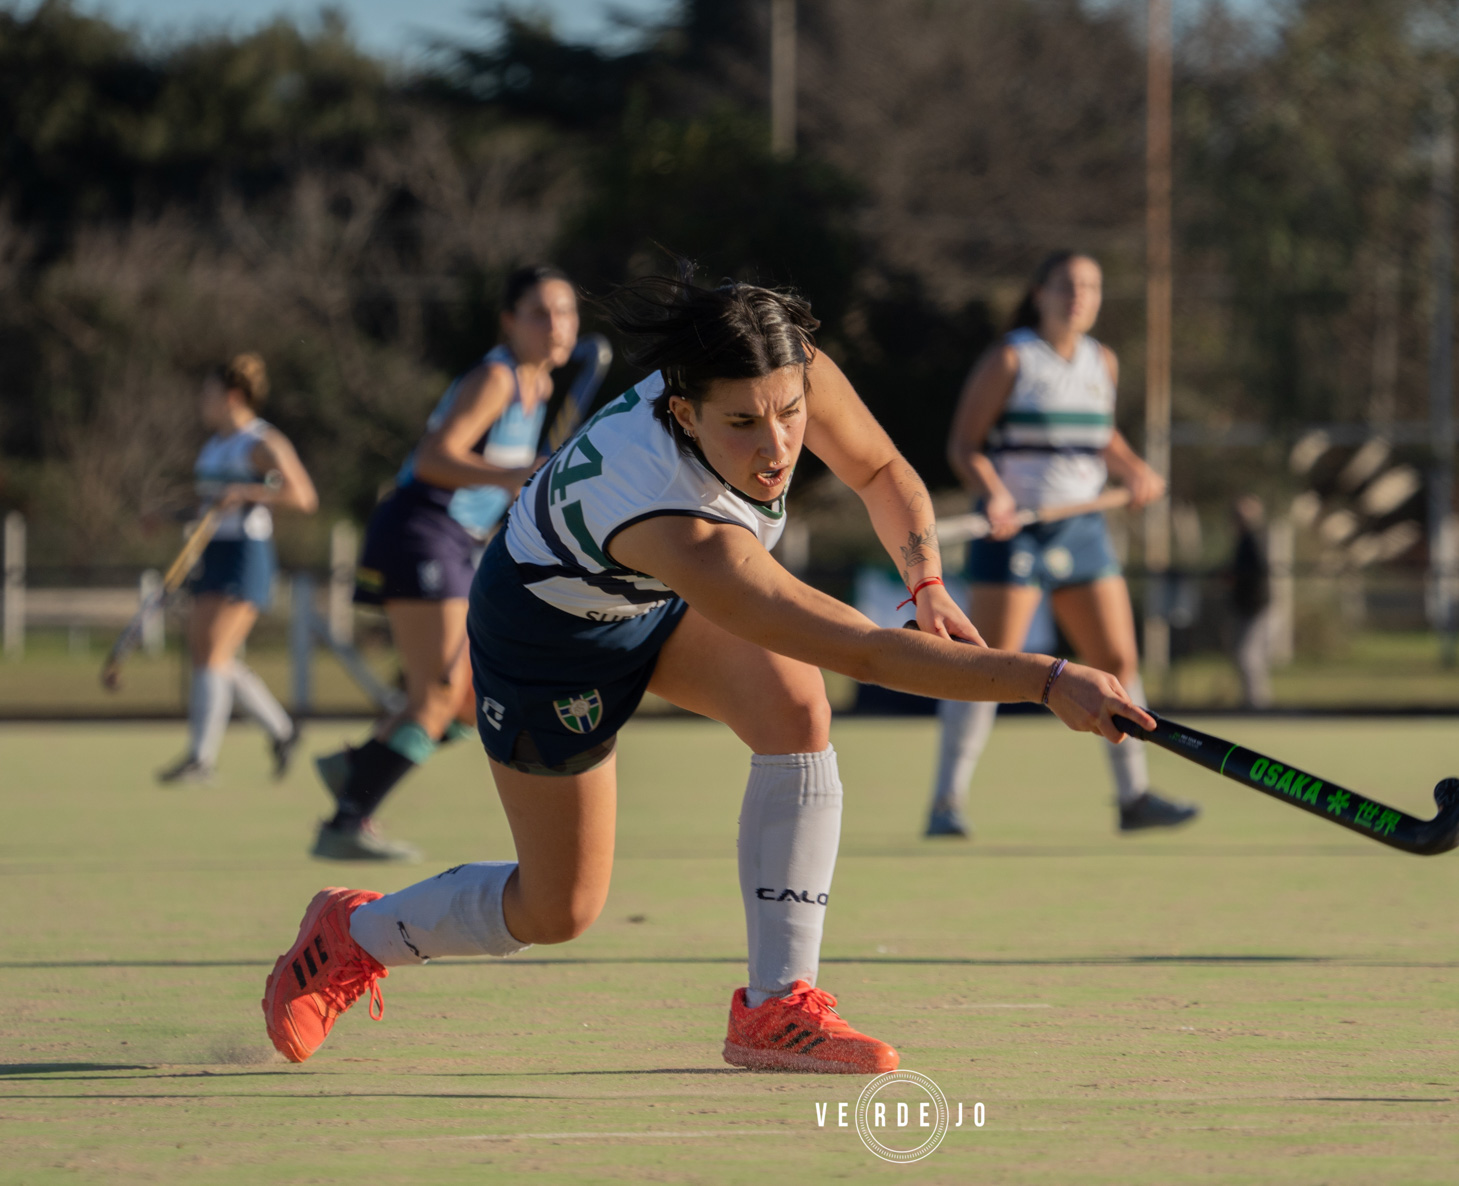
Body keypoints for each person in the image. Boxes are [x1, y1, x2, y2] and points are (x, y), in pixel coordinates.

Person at [259, 273, 1153, 1074]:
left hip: (647, 600)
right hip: (546, 639)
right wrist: (1044, 679)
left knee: (795, 711)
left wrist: (926, 580)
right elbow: (860, 651)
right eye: (742, 423)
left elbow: (880, 467)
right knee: (558, 907)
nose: (777, 447)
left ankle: (775, 1008)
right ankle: (353, 932)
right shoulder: (670, 515)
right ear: (684, 413)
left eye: (790, 412)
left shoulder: (779, 366)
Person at [924, 251, 1196, 838]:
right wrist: (994, 495)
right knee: (990, 666)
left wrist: (1134, 469)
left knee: (1118, 660)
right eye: (1068, 285)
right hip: (1014, 528)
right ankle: (946, 802)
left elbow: (1098, 435)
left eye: (1091, 286)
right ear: (1040, 292)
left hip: (1082, 529)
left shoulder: (1103, 361)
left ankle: (1135, 796)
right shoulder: (1012, 356)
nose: (1080, 296)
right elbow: (964, 446)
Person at [311, 266, 578, 862]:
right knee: (440, 691)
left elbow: (495, 483)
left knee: (462, 702)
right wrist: (515, 474)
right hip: (421, 529)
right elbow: (435, 459)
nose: (556, 324)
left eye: (565, 312)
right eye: (539, 312)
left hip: (456, 541)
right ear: (509, 321)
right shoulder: (497, 378)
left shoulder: (536, 389)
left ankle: (360, 767)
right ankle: (347, 818)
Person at [158, 354, 317, 783]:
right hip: (213, 550)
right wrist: (168, 514)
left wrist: (247, 492)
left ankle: (201, 759)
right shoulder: (213, 446)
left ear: (231, 396)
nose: (201, 401)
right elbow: (209, 504)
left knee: (213, 651)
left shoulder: (261, 442)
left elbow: (303, 496)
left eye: (207, 393)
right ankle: (283, 730)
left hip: (247, 553)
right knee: (209, 653)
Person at [1229, 495, 1274, 709]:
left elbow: (1256, 571)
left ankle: (1257, 703)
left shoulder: (1255, 539)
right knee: (1245, 655)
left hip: (1256, 606)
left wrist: (1233, 575)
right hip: (1245, 606)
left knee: (1248, 655)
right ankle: (1252, 700)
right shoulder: (1244, 540)